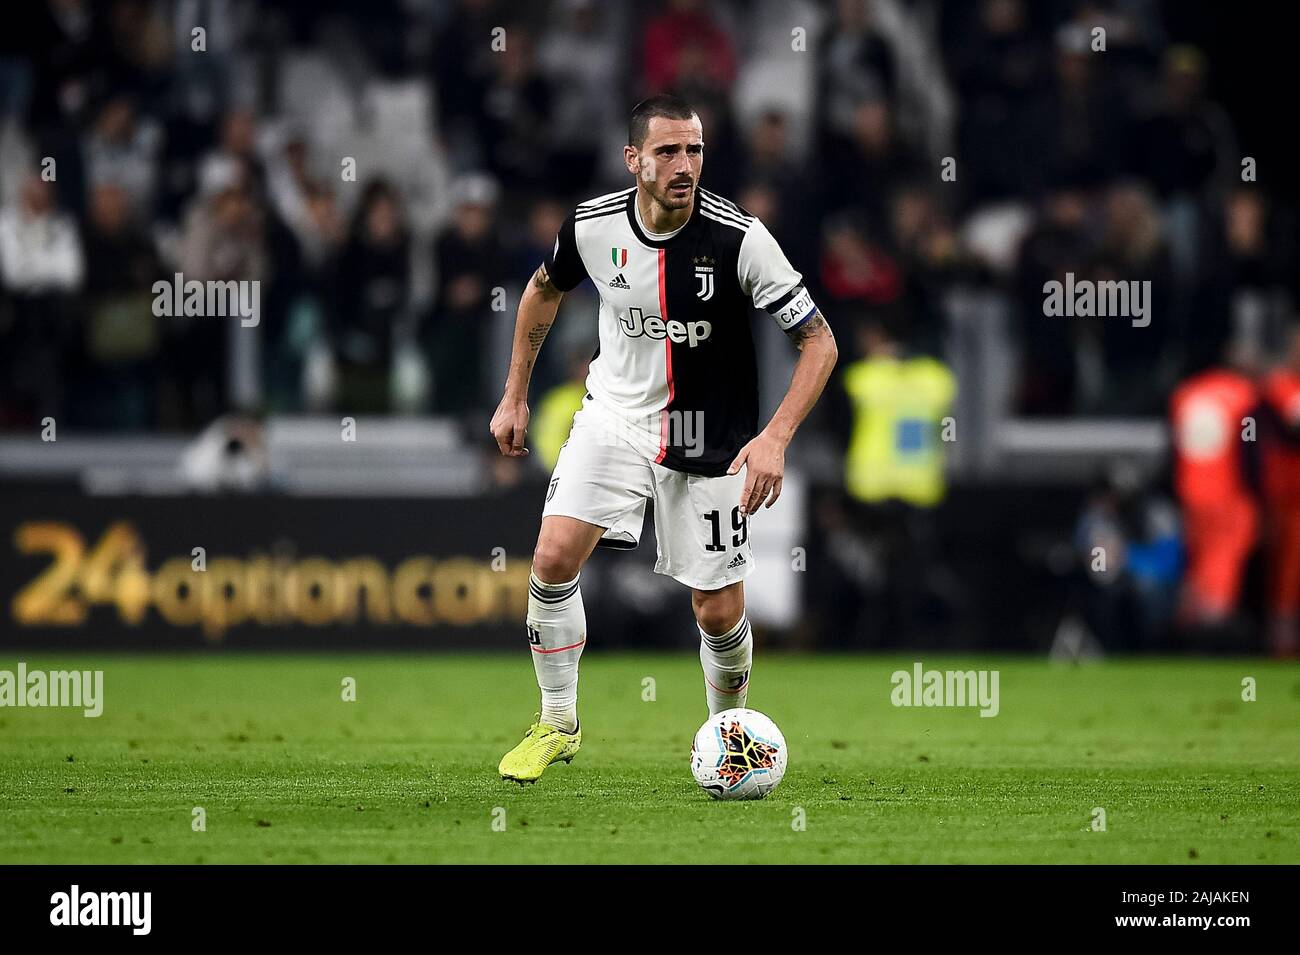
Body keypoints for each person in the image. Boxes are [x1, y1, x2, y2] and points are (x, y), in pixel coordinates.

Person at [488, 94, 838, 783]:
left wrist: (775, 437)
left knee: (716, 610)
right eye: (669, 151)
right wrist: (515, 393)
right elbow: (541, 291)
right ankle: (557, 723)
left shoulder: (741, 238)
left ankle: (725, 732)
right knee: (554, 555)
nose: (685, 165)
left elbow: (819, 341)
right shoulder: (591, 226)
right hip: (614, 415)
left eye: (695, 150)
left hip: (710, 438)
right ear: (634, 160)